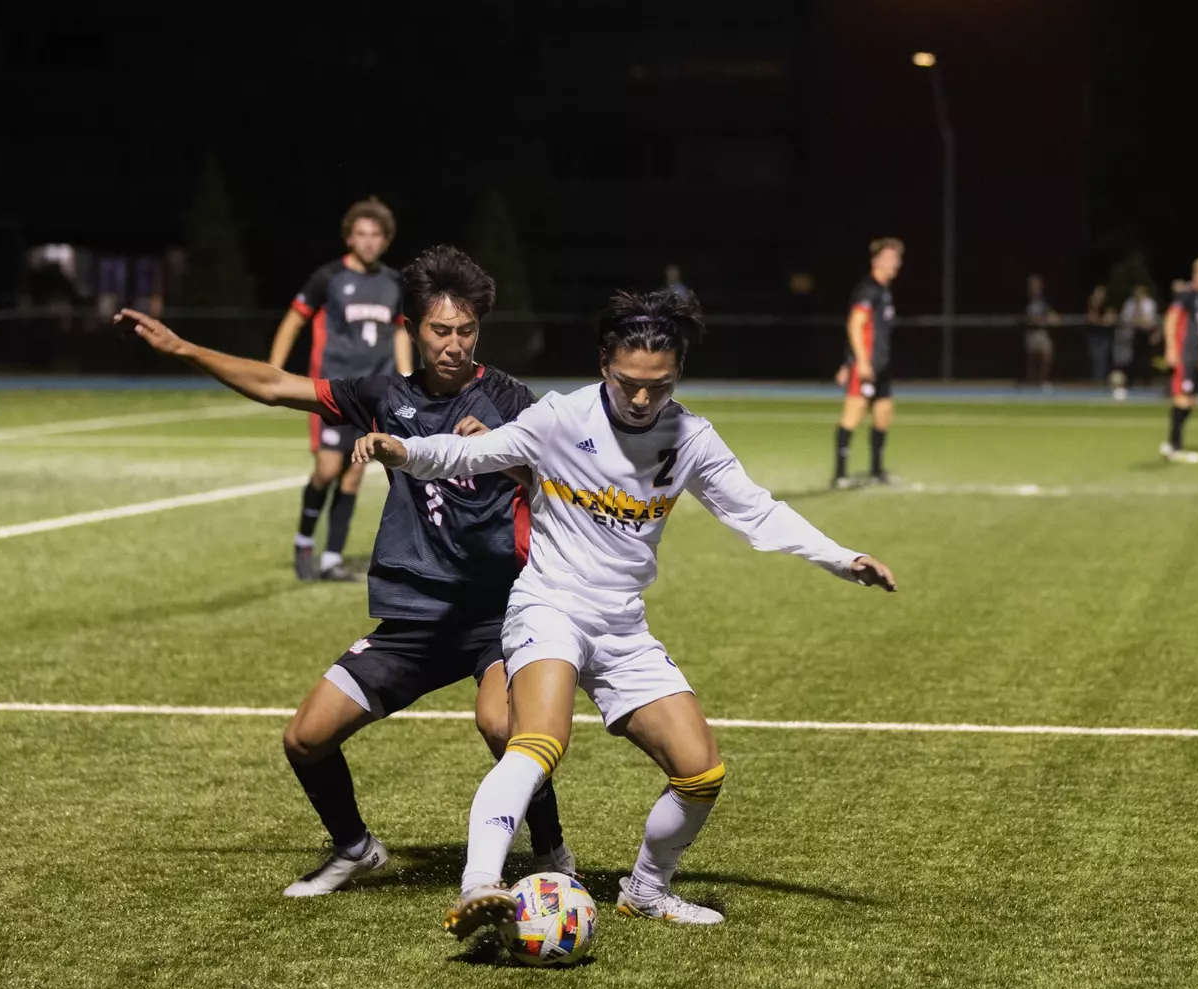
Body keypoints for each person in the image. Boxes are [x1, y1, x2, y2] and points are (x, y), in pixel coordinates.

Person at [354, 289, 898, 934]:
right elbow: (472, 454)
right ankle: (480, 886)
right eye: (627, 383)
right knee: (537, 743)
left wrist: (843, 557)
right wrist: (405, 453)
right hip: (549, 605)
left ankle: (646, 889)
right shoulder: (561, 417)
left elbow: (755, 511)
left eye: (658, 386)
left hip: (621, 624)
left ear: (678, 375)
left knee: (700, 773)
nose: (641, 399)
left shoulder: (691, 436)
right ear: (603, 364)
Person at [114, 245, 572, 896]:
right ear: (412, 328)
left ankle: (551, 849)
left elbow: (568, 483)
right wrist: (184, 349)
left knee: (502, 726)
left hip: (497, 613)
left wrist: (506, 458)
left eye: (466, 330)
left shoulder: (511, 399)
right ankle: (355, 848)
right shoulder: (384, 396)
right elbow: (276, 387)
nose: (454, 344)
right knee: (305, 738)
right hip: (414, 616)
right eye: (441, 330)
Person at [268, 198, 414, 582]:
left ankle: (332, 558)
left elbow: (400, 331)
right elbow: (294, 319)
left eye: (376, 235)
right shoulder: (328, 277)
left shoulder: (394, 283)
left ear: (386, 240)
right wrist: (274, 369)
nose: (368, 242)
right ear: (350, 237)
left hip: (375, 394)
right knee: (327, 468)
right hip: (333, 391)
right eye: (361, 234)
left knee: (353, 475)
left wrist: (407, 379)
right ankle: (304, 540)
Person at [832, 237, 904, 489]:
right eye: (889, 258)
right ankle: (839, 475)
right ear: (875, 260)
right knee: (852, 416)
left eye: (896, 258)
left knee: (883, 415)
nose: (894, 263)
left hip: (882, 366)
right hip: (866, 367)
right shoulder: (868, 289)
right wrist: (859, 362)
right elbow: (855, 325)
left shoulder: (884, 291)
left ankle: (876, 471)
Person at [1160, 255, 1198, 463]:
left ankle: (1172, 443)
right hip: (1183, 353)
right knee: (1181, 398)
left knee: (1192, 400)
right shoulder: (1186, 295)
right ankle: (1174, 447)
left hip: (1195, 354)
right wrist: (1170, 347)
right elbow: (1171, 318)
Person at [1117, 284, 1159, 391]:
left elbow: (1149, 322)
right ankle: (1132, 380)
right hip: (1133, 335)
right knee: (1131, 358)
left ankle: (1146, 381)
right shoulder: (1129, 303)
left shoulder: (1150, 303)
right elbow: (1125, 320)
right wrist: (1139, 321)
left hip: (1146, 335)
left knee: (1146, 358)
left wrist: (1137, 321)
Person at [1022, 274, 1059, 387]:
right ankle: (1031, 381)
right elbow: (1024, 317)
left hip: (1041, 332)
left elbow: (1054, 317)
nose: (1035, 287)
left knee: (1046, 355)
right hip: (1031, 332)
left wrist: (1048, 319)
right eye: (1033, 285)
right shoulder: (1025, 299)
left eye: (1037, 285)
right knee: (1032, 358)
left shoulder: (1044, 300)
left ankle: (1043, 381)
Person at [1085, 285, 1117, 388]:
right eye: (1097, 293)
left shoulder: (1108, 306)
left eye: (1101, 293)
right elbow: (1092, 319)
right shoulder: (1092, 305)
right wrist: (1101, 320)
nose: (1099, 296)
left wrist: (1101, 321)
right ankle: (1096, 383)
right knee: (1095, 359)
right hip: (1094, 336)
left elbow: (1109, 320)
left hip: (1104, 337)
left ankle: (1102, 383)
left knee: (1103, 359)